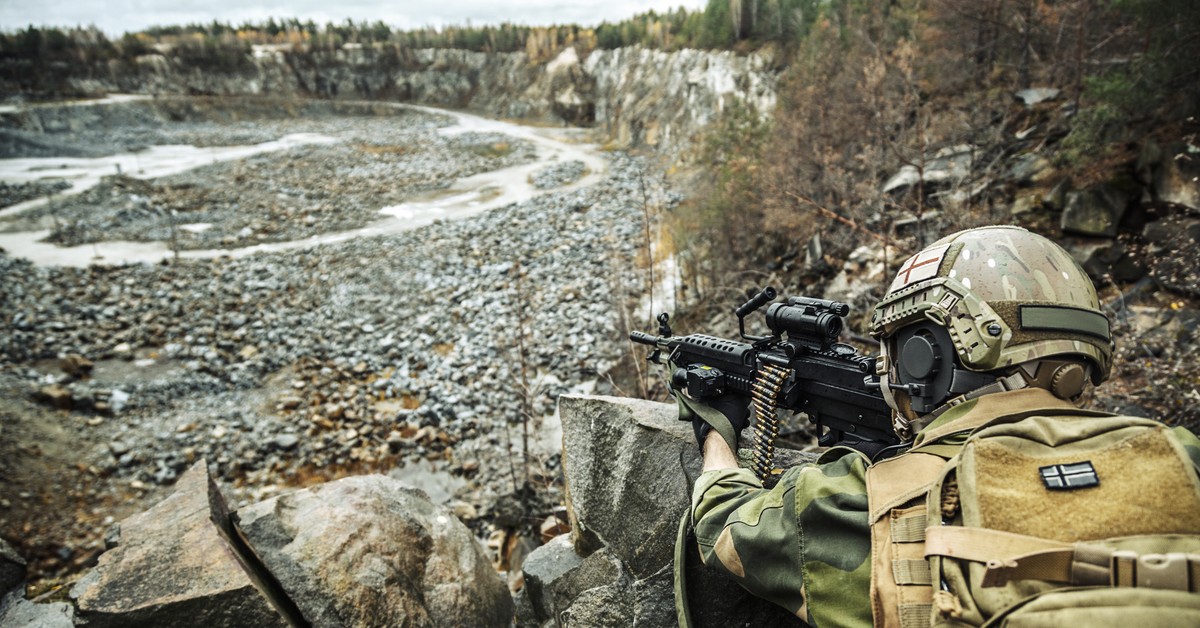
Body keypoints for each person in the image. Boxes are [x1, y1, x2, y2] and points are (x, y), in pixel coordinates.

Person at [686, 226, 1200, 627]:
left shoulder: (859, 501)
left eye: (894, 349)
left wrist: (716, 429)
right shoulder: (1183, 457)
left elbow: (725, 525)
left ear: (923, 359)